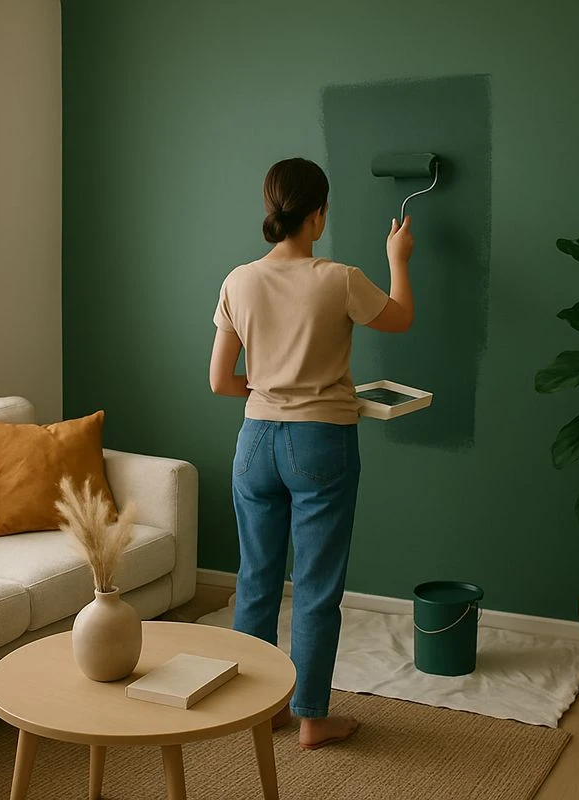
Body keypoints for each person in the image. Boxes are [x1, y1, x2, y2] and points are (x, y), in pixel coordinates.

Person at [209, 157, 414, 750]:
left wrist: (272, 385)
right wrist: (398, 259)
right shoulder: (339, 277)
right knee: (317, 586)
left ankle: (258, 710)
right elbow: (401, 319)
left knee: (256, 579)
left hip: (254, 445)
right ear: (318, 214)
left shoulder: (238, 280)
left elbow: (222, 381)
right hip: (320, 443)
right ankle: (311, 718)